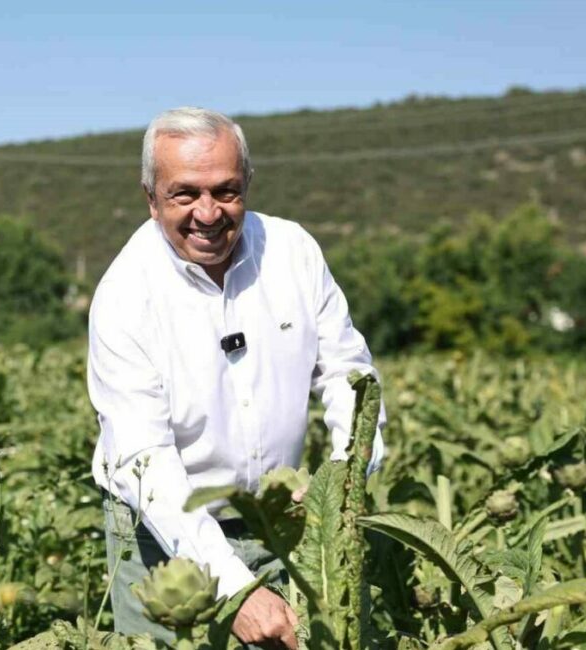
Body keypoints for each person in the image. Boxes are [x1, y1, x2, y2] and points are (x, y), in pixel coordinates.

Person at [88, 107, 385, 649]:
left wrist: (342, 483)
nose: (208, 213)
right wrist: (234, 587)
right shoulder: (125, 295)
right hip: (163, 538)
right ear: (151, 198)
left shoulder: (293, 252)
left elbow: (350, 373)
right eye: (184, 194)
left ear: (247, 183)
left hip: (285, 525)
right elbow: (143, 460)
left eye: (226, 191)